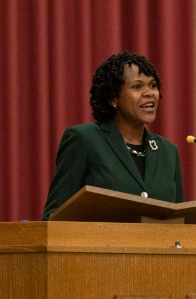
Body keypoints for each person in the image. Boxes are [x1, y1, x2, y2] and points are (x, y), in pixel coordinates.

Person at [42, 52, 184, 220]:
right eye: (137, 87)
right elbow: (54, 217)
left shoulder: (168, 151)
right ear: (112, 97)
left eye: (153, 85)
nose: (149, 93)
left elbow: (178, 221)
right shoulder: (84, 140)